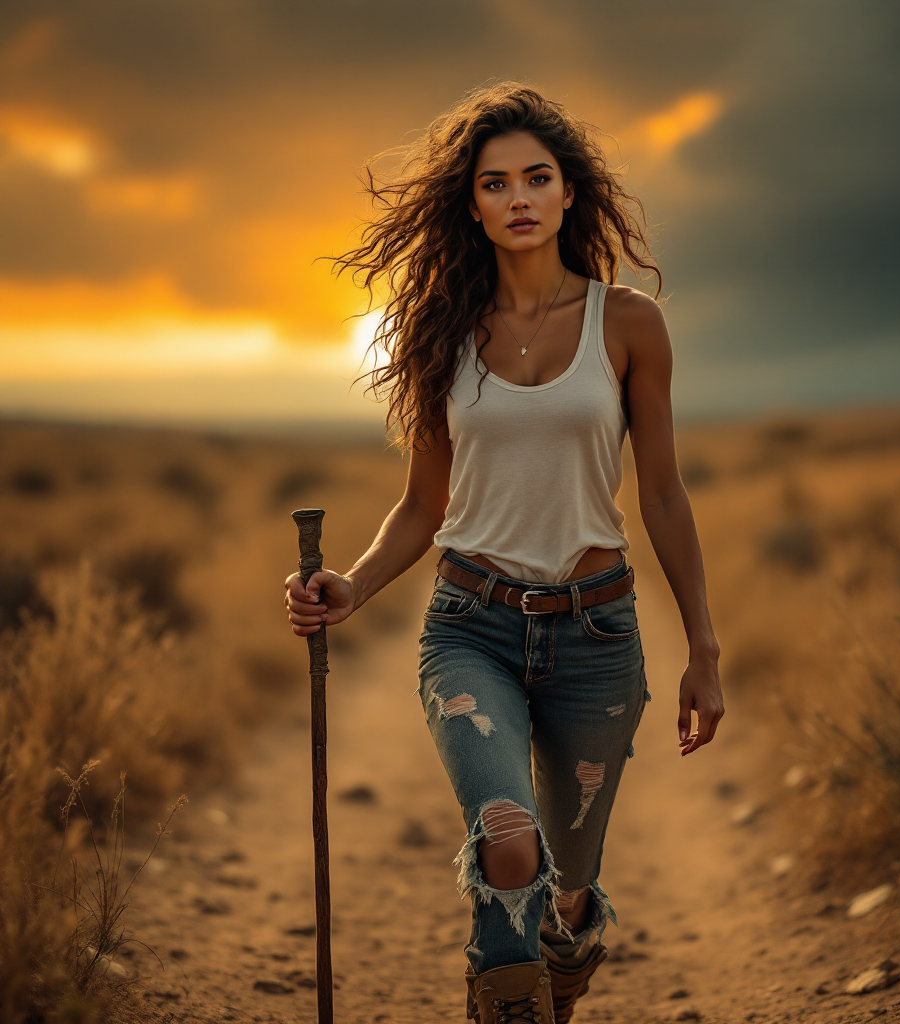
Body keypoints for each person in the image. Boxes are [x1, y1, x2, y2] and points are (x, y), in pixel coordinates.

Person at [285, 82, 724, 1024]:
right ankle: (506, 1003)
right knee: (508, 839)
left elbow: (661, 493)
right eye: (495, 183)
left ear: (570, 194)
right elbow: (421, 505)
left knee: (565, 886)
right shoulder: (444, 332)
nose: (518, 197)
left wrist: (704, 649)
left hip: (596, 634)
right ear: (472, 204)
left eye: (537, 177)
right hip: (469, 628)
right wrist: (350, 585)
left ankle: (557, 953)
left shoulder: (629, 323)